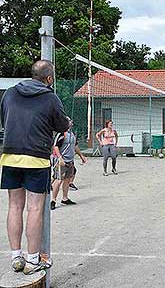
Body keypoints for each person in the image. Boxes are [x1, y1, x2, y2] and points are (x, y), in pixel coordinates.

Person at [0, 60, 69, 274]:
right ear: (49, 79)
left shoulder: (10, 93)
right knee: (35, 208)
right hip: (36, 158)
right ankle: (32, 260)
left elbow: (5, 119)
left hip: (10, 155)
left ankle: (16, 257)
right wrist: (66, 122)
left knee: (14, 207)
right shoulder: (50, 98)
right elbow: (61, 126)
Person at [51, 119, 87, 210]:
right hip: (61, 161)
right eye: (69, 121)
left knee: (67, 180)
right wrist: (60, 158)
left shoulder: (72, 134)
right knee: (58, 180)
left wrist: (81, 156)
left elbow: (75, 146)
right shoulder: (61, 134)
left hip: (70, 161)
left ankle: (65, 198)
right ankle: (53, 200)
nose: (71, 122)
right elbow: (55, 147)